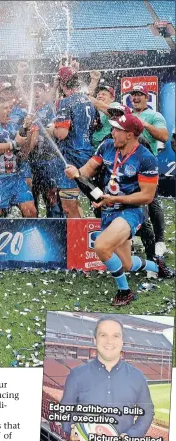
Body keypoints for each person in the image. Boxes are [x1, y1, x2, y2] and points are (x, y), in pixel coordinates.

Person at [64, 113, 172, 306]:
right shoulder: (106, 146)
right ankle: (157, 266)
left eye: (116, 129)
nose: (112, 132)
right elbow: (87, 170)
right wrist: (77, 174)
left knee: (101, 246)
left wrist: (114, 198)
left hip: (132, 210)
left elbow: (147, 197)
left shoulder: (146, 158)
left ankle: (125, 292)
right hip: (109, 210)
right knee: (126, 264)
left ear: (130, 134)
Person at [60, 316, 154, 441]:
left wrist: (130, 436)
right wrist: (72, 429)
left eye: (116, 336)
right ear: (95, 340)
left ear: (122, 342)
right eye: (103, 335)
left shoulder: (137, 377)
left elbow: (147, 412)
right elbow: (65, 410)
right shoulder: (76, 375)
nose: (109, 341)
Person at [0, 97, 37, 218]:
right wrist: (14, 144)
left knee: (31, 211)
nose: (9, 111)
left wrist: (27, 131)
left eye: (10, 108)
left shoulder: (13, 126)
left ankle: (31, 236)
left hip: (16, 177)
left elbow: (25, 152)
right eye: (5, 108)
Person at [129, 84, 169, 259]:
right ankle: (135, 237)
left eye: (140, 95)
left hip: (147, 164)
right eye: (134, 95)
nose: (136, 98)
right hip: (128, 165)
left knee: (152, 202)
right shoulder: (128, 114)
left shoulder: (155, 115)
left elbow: (164, 136)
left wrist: (144, 124)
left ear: (147, 97)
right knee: (131, 202)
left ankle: (159, 241)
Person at [51, 66, 97, 218]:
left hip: (71, 158)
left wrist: (51, 128)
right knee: (96, 197)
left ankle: (79, 241)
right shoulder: (87, 100)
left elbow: (61, 133)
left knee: (69, 207)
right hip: (88, 155)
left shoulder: (66, 102)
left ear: (62, 84)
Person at [28, 82, 63, 218]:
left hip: (49, 161)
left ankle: (55, 229)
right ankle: (33, 230)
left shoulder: (52, 108)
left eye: (40, 89)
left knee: (52, 199)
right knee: (31, 200)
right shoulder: (27, 110)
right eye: (34, 89)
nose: (36, 92)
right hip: (31, 162)